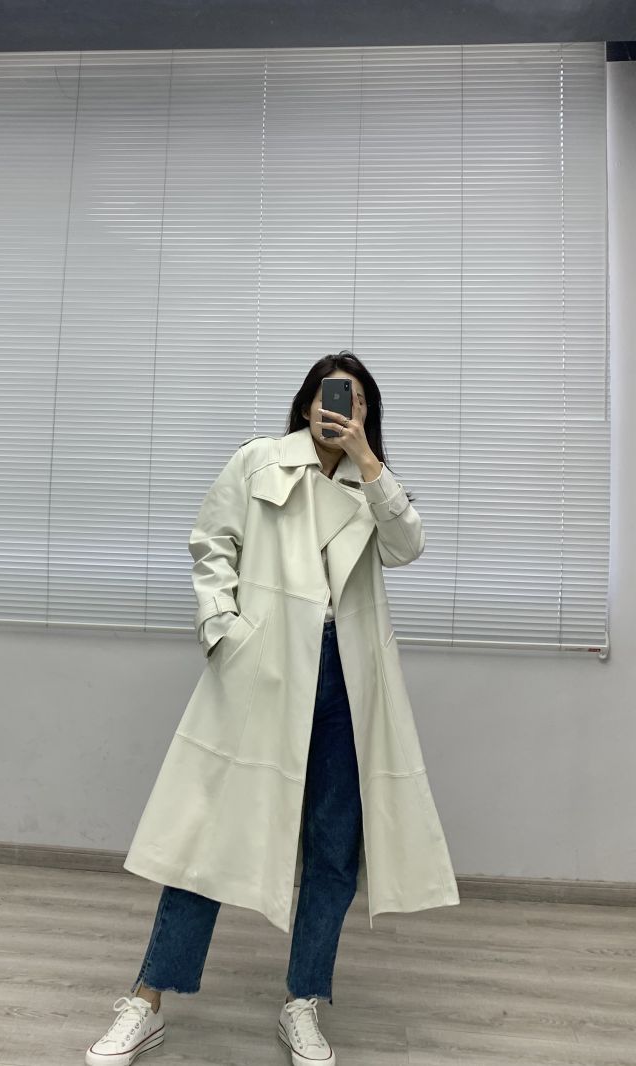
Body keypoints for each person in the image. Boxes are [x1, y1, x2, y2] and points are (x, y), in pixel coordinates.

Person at [86, 350, 460, 1065]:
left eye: (354, 401)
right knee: (207, 835)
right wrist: (224, 631)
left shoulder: (373, 484)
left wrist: (369, 460)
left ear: (367, 414)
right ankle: (146, 1002)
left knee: (332, 849)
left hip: (344, 678)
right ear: (307, 401)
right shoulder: (259, 460)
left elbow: (408, 547)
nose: (338, 409)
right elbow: (211, 545)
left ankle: (303, 1002)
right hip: (265, 669)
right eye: (329, 395)